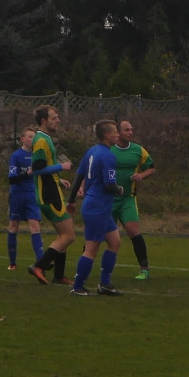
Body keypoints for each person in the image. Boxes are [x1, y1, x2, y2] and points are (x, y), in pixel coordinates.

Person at [65, 120, 126, 296]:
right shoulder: (108, 155)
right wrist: (119, 189)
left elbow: (79, 175)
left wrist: (71, 199)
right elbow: (109, 184)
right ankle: (77, 286)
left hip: (99, 207)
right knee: (91, 248)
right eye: (115, 132)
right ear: (107, 135)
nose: (117, 134)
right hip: (97, 207)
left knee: (115, 242)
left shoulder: (92, 151)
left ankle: (105, 284)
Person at [27, 105, 75, 285]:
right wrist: (60, 167)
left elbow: (42, 169)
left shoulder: (45, 139)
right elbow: (37, 170)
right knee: (68, 236)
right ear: (43, 121)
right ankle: (39, 266)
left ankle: (59, 275)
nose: (58, 120)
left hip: (51, 191)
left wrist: (59, 179)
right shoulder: (41, 141)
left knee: (62, 236)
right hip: (49, 195)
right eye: (54, 117)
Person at [111, 119, 156, 280]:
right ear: (117, 132)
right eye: (126, 130)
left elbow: (151, 167)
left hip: (128, 199)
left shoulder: (138, 150)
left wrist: (141, 175)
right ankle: (83, 267)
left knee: (133, 231)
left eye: (131, 129)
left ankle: (144, 269)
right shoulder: (108, 149)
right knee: (98, 234)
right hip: (109, 199)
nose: (131, 132)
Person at [6, 127, 44, 270]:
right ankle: (12, 263)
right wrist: (28, 174)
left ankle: (41, 263)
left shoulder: (38, 156)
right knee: (14, 225)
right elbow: (12, 179)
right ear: (22, 139)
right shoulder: (16, 156)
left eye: (34, 136)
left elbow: (45, 173)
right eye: (29, 136)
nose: (32, 139)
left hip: (32, 194)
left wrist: (59, 181)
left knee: (34, 225)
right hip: (17, 195)